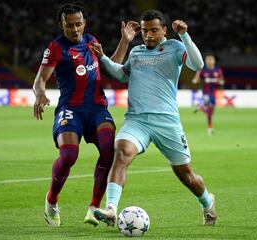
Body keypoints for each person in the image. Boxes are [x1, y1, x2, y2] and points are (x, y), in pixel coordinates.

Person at [91, 9, 217, 226]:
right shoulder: (136, 52)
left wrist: (184, 35)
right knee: (121, 153)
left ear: (164, 30)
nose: (148, 34)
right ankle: (111, 209)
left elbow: (198, 65)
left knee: (185, 175)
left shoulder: (175, 47)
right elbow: (121, 74)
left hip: (166, 122)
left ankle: (207, 202)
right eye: (144, 30)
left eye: (154, 30)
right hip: (137, 119)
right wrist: (102, 56)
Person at [33, 2, 139, 227]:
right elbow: (40, 80)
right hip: (70, 109)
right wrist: (40, 94)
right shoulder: (56, 48)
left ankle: (94, 207)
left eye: (78, 24)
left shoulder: (91, 41)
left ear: (84, 24)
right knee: (69, 155)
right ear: (61, 26)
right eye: (69, 25)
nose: (74, 29)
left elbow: (113, 66)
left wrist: (125, 41)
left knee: (109, 152)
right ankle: (51, 202)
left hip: (97, 109)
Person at [192, 54, 224, 135]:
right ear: (205, 61)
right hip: (205, 92)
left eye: (211, 59)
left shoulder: (218, 70)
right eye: (208, 60)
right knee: (208, 106)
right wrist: (197, 78)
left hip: (213, 93)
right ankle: (210, 128)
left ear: (214, 61)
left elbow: (222, 81)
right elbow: (195, 80)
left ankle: (201, 107)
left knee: (210, 112)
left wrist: (213, 80)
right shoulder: (202, 70)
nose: (209, 61)